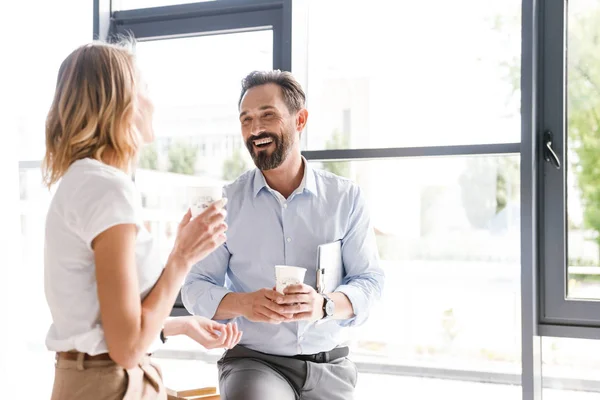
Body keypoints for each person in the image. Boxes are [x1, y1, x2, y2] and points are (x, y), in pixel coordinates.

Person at [43, 41, 242, 400]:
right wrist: (182, 257)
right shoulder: (107, 189)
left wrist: (182, 325)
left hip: (88, 381)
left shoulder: (84, 181)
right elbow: (126, 348)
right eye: (145, 89)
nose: (153, 101)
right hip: (107, 386)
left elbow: (106, 327)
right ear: (120, 103)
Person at [181, 70, 385, 400]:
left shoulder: (345, 198)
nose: (255, 129)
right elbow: (194, 287)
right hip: (254, 363)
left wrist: (324, 305)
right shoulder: (227, 203)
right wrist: (244, 303)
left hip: (330, 366)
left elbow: (370, 281)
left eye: (267, 116)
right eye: (246, 120)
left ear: (300, 119)